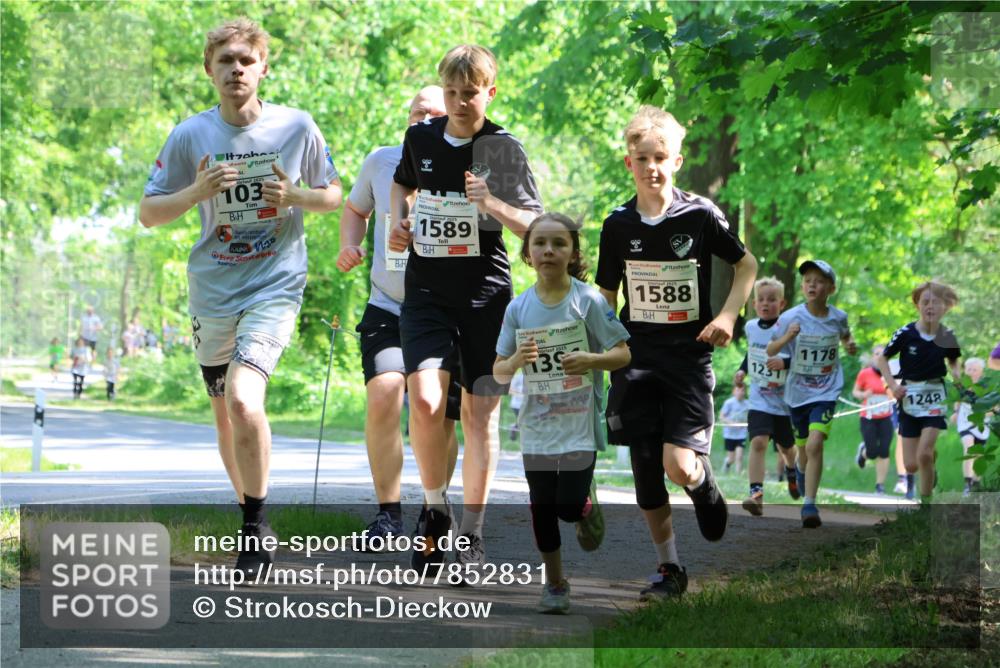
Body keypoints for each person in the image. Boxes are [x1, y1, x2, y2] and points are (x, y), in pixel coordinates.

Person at [139, 17, 342, 573]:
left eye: (246, 60)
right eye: (225, 60)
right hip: (213, 289)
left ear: (263, 68)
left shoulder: (296, 126)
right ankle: (250, 512)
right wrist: (195, 191)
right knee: (225, 414)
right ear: (209, 70)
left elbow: (333, 195)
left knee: (244, 398)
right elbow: (149, 213)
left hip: (275, 283)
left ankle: (254, 527)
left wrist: (295, 195)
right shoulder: (190, 135)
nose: (236, 69)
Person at [388, 44, 543, 572]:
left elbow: (534, 224)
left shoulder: (504, 148)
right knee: (426, 400)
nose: (458, 103)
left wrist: (490, 203)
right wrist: (399, 218)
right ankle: (435, 510)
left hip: (484, 296)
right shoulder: (421, 136)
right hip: (427, 292)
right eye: (451, 92)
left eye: (469, 94)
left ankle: (472, 533)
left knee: (479, 416)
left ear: (489, 93)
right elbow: (403, 182)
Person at [597, 106, 757, 599]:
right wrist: (604, 347)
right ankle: (670, 568)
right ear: (629, 163)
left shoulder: (700, 215)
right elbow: (606, 296)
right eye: (643, 158)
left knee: (679, 466)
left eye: (660, 157)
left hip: (687, 359)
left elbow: (747, 265)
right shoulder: (617, 224)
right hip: (635, 360)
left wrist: (727, 316)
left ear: (677, 162)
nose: (652, 167)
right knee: (647, 472)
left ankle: (704, 486)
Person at [337, 86, 462, 544]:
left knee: (437, 415)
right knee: (384, 392)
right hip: (388, 304)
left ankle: (434, 508)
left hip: (445, 311)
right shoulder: (381, 161)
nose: (423, 120)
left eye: (434, 114)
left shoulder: (467, 163)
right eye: (417, 112)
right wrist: (349, 245)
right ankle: (388, 515)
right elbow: (355, 209)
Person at [493, 213, 631, 614]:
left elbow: (623, 354)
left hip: (578, 422)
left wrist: (591, 359)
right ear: (528, 253)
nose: (548, 251)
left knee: (566, 507)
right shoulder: (518, 308)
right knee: (541, 507)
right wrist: (516, 360)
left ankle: (584, 504)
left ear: (573, 253)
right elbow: (498, 371)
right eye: (540, 243)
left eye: (559, 243)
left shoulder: (588, 301)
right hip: (537, 425)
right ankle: (555, 584)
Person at [768, 260, 857, 528]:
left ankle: (809, 504)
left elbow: (845, 335)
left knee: (815, 443)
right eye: (807, 281)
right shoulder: (790, 318)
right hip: (797, 393)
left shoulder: (838, 317)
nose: (812, 285)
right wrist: (787, 338)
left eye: (818, 281)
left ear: (830, 288)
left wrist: (849, 345)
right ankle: (800, 469)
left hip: (827, 390)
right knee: (803, 447)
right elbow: (771, 349)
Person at [876, 281, 961, 503]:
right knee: (912, 465)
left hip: (935, 396)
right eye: (925, 302)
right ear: (917, 306)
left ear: (945, 307)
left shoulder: (947, 335)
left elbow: (954, 363)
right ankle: (931, 460)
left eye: (936, 302)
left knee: (923, 454)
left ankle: (926, 505)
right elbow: (882, 359)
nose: (930, 306)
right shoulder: (906, 333)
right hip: (909, 398)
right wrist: (893, 386)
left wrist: (961, 385)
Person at [734, 276, 800, 517]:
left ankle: (792, 470)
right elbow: (752, 354)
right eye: (761, 299)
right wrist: (742, 370)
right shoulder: (751, 327)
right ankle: (756, 495)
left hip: (783, 402)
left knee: (787, 448)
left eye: (771, 299)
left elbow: (801, 358)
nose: (765, 303)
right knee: (758, 442)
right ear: (754, 304)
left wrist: (784, 363)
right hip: (759, 400)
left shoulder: (789, 328)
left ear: (781, 304)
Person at [852, 345, 895, 494]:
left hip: (886, 417)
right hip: (868, 417)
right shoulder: (865, 373)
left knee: (884, 450)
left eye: (883, 354)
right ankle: (863, 453)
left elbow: (898, 393)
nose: (880, 356)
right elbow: (855, 392)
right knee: (872, 452)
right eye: (877, 354)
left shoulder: (892, 373)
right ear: (873, 357)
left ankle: (880, 485)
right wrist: (863, 395)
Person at [954, 357, 990, 496]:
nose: (972, 372)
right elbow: (957, 400)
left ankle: (976, 483)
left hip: (981, 424)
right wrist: (955, 412)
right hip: (965, 422)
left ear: (981, 372)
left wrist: (985, 414)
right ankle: (967, 484)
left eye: (975, 369)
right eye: (969, 369)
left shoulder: (986, 387)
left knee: (979, 456)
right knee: (969, 448)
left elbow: (994, 407)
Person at [719, 383, 749, 475]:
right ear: (734, 392)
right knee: (731, 458)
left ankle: (738, 475)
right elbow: (722, 417)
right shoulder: (729, 403)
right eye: (738, 390)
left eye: (742, 390)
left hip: (741, 434)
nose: (740, 392)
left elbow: (750, 417)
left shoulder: (748, 404)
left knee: (739, 456)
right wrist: (732, 424)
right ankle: (727, 463)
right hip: (729, 434)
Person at [508, 371, 524, 440]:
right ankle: (514, 428)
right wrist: (520, 394)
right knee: (523, 421)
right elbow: (510, 390)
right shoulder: (518, 376)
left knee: (524, 421)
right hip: (517, 405)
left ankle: (514, 427)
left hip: (528, 404)